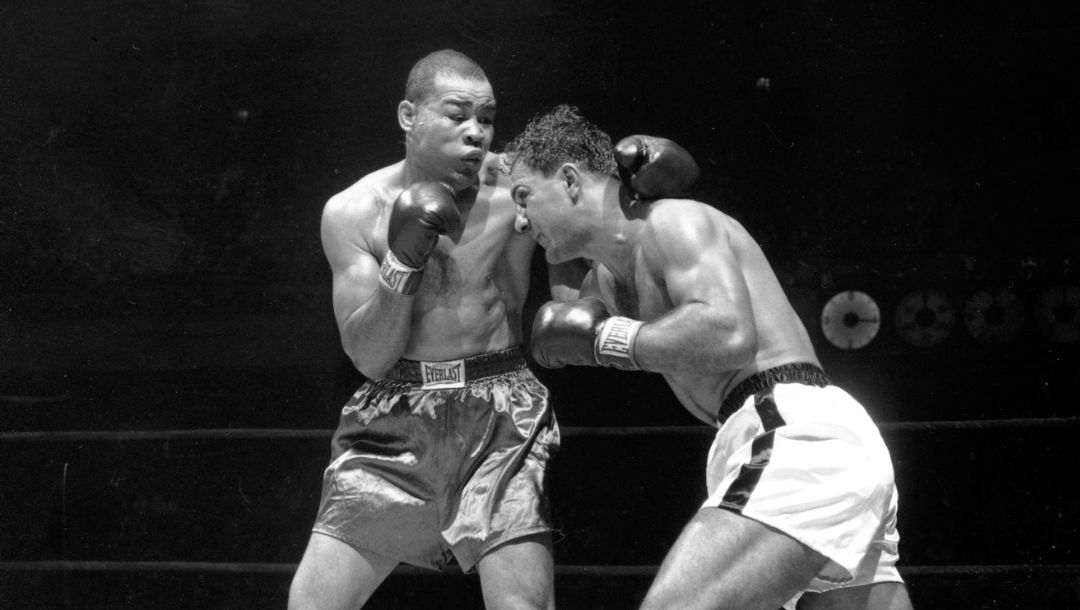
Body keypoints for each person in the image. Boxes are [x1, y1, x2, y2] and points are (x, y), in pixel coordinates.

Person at [288, 51, 699, 610]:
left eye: (486, 118)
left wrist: (639, 201)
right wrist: (402, 261)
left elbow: (587, 266)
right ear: (409, 116)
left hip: (502, 412)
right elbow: (368, 356)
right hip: (394, 416)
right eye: (457, 115)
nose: (476, 132)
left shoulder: (519, 187)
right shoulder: (354, 211)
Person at [506, 105, 914, 610]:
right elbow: (569, 324)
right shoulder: (610, 278)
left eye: (524, 198)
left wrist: (610, 340)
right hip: (770, 439)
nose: (519, 220)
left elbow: (728, 333)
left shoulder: (673, 222)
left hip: (792, 432)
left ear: (570, 181)